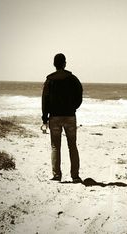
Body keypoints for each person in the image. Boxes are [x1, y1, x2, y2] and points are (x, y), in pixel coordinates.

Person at [42, 53, 83, 183]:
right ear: (65, 63)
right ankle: (75, 176)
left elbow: (45, 100)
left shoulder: (49, 80)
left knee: (55, 146)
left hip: (54, 117)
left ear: (54, 64)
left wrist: (45, 117)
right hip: (70, 116)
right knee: (72, 146)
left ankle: (56, 175)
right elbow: (79, 95)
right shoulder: (73, 79)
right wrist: (73, 108)